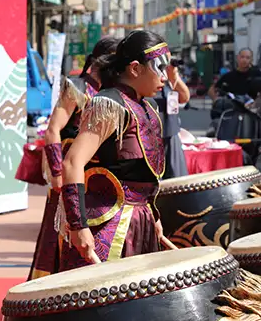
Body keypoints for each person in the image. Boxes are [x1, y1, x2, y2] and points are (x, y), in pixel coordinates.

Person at [58, 30, 169, 271]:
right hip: (109, 223)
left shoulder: (147, 107)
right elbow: (72, 163)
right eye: (159, 68)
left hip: (140, 220)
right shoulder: (109, 104)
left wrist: (153, 215)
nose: (165, 77)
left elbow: (143, 173)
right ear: (135, 68)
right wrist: (79, 226)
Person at [27, 36, 118, 281]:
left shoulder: (113, 94)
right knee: (57, 236)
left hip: (95, 179)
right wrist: (57, 172)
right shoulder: (78, 88)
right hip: (70, 175)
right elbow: (53, 130)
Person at [153, 58, 191, 178]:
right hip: (152, 136)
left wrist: (174, 77)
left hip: (171, 132)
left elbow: (184, 97)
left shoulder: (168, 74)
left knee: (176, 179)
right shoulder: (148, 70)